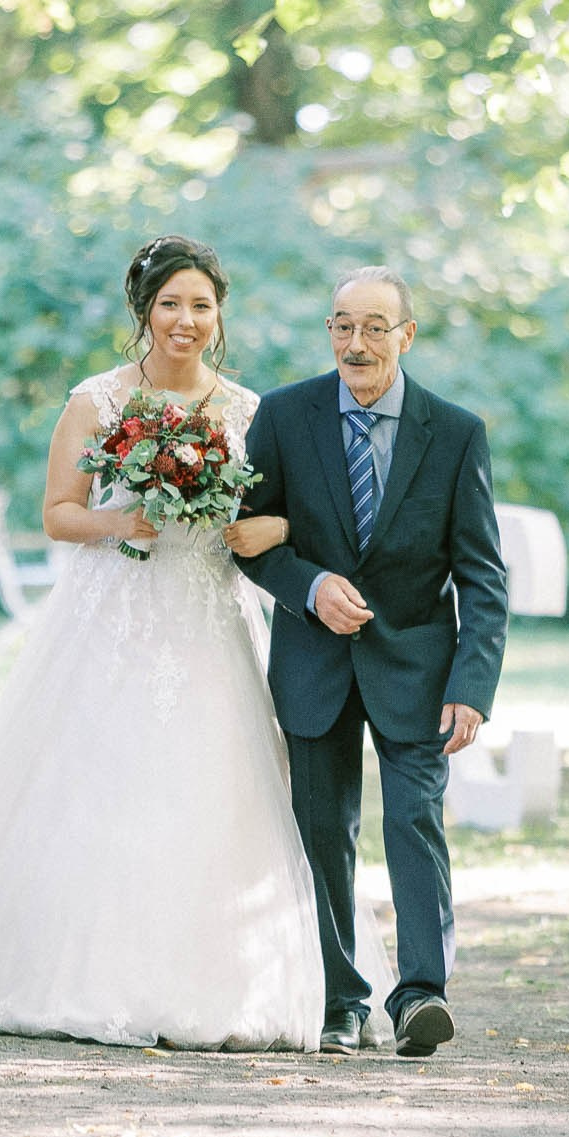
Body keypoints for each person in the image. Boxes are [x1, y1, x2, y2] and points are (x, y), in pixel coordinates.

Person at [0, 235, 329, 1050]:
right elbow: (57, 512)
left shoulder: (251, 410)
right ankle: (74, 977)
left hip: (209, 620)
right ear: (144, 311)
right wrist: (121, 520)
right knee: (96, 783)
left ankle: (214, 984)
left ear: (221, 316)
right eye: (171, 304)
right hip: (114, 616)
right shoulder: (98, 401)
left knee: (212, 782)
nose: (186, 320)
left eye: (202, 306)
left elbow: (278, 517)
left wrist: (247, 521)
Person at [234, 266, 508, 1057]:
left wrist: (473, 685)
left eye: (374, 328)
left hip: (420, 667)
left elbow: (483, 573)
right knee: (324, 829)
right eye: (343, 326)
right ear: (330, 331)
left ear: (406, 335)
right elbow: (251, 539)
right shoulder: (285, 416)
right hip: (314, 661)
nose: (356, 343)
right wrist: (311, 584)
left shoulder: (456, 433)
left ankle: (422, 993)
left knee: (415, 819)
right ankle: (340, 1000)